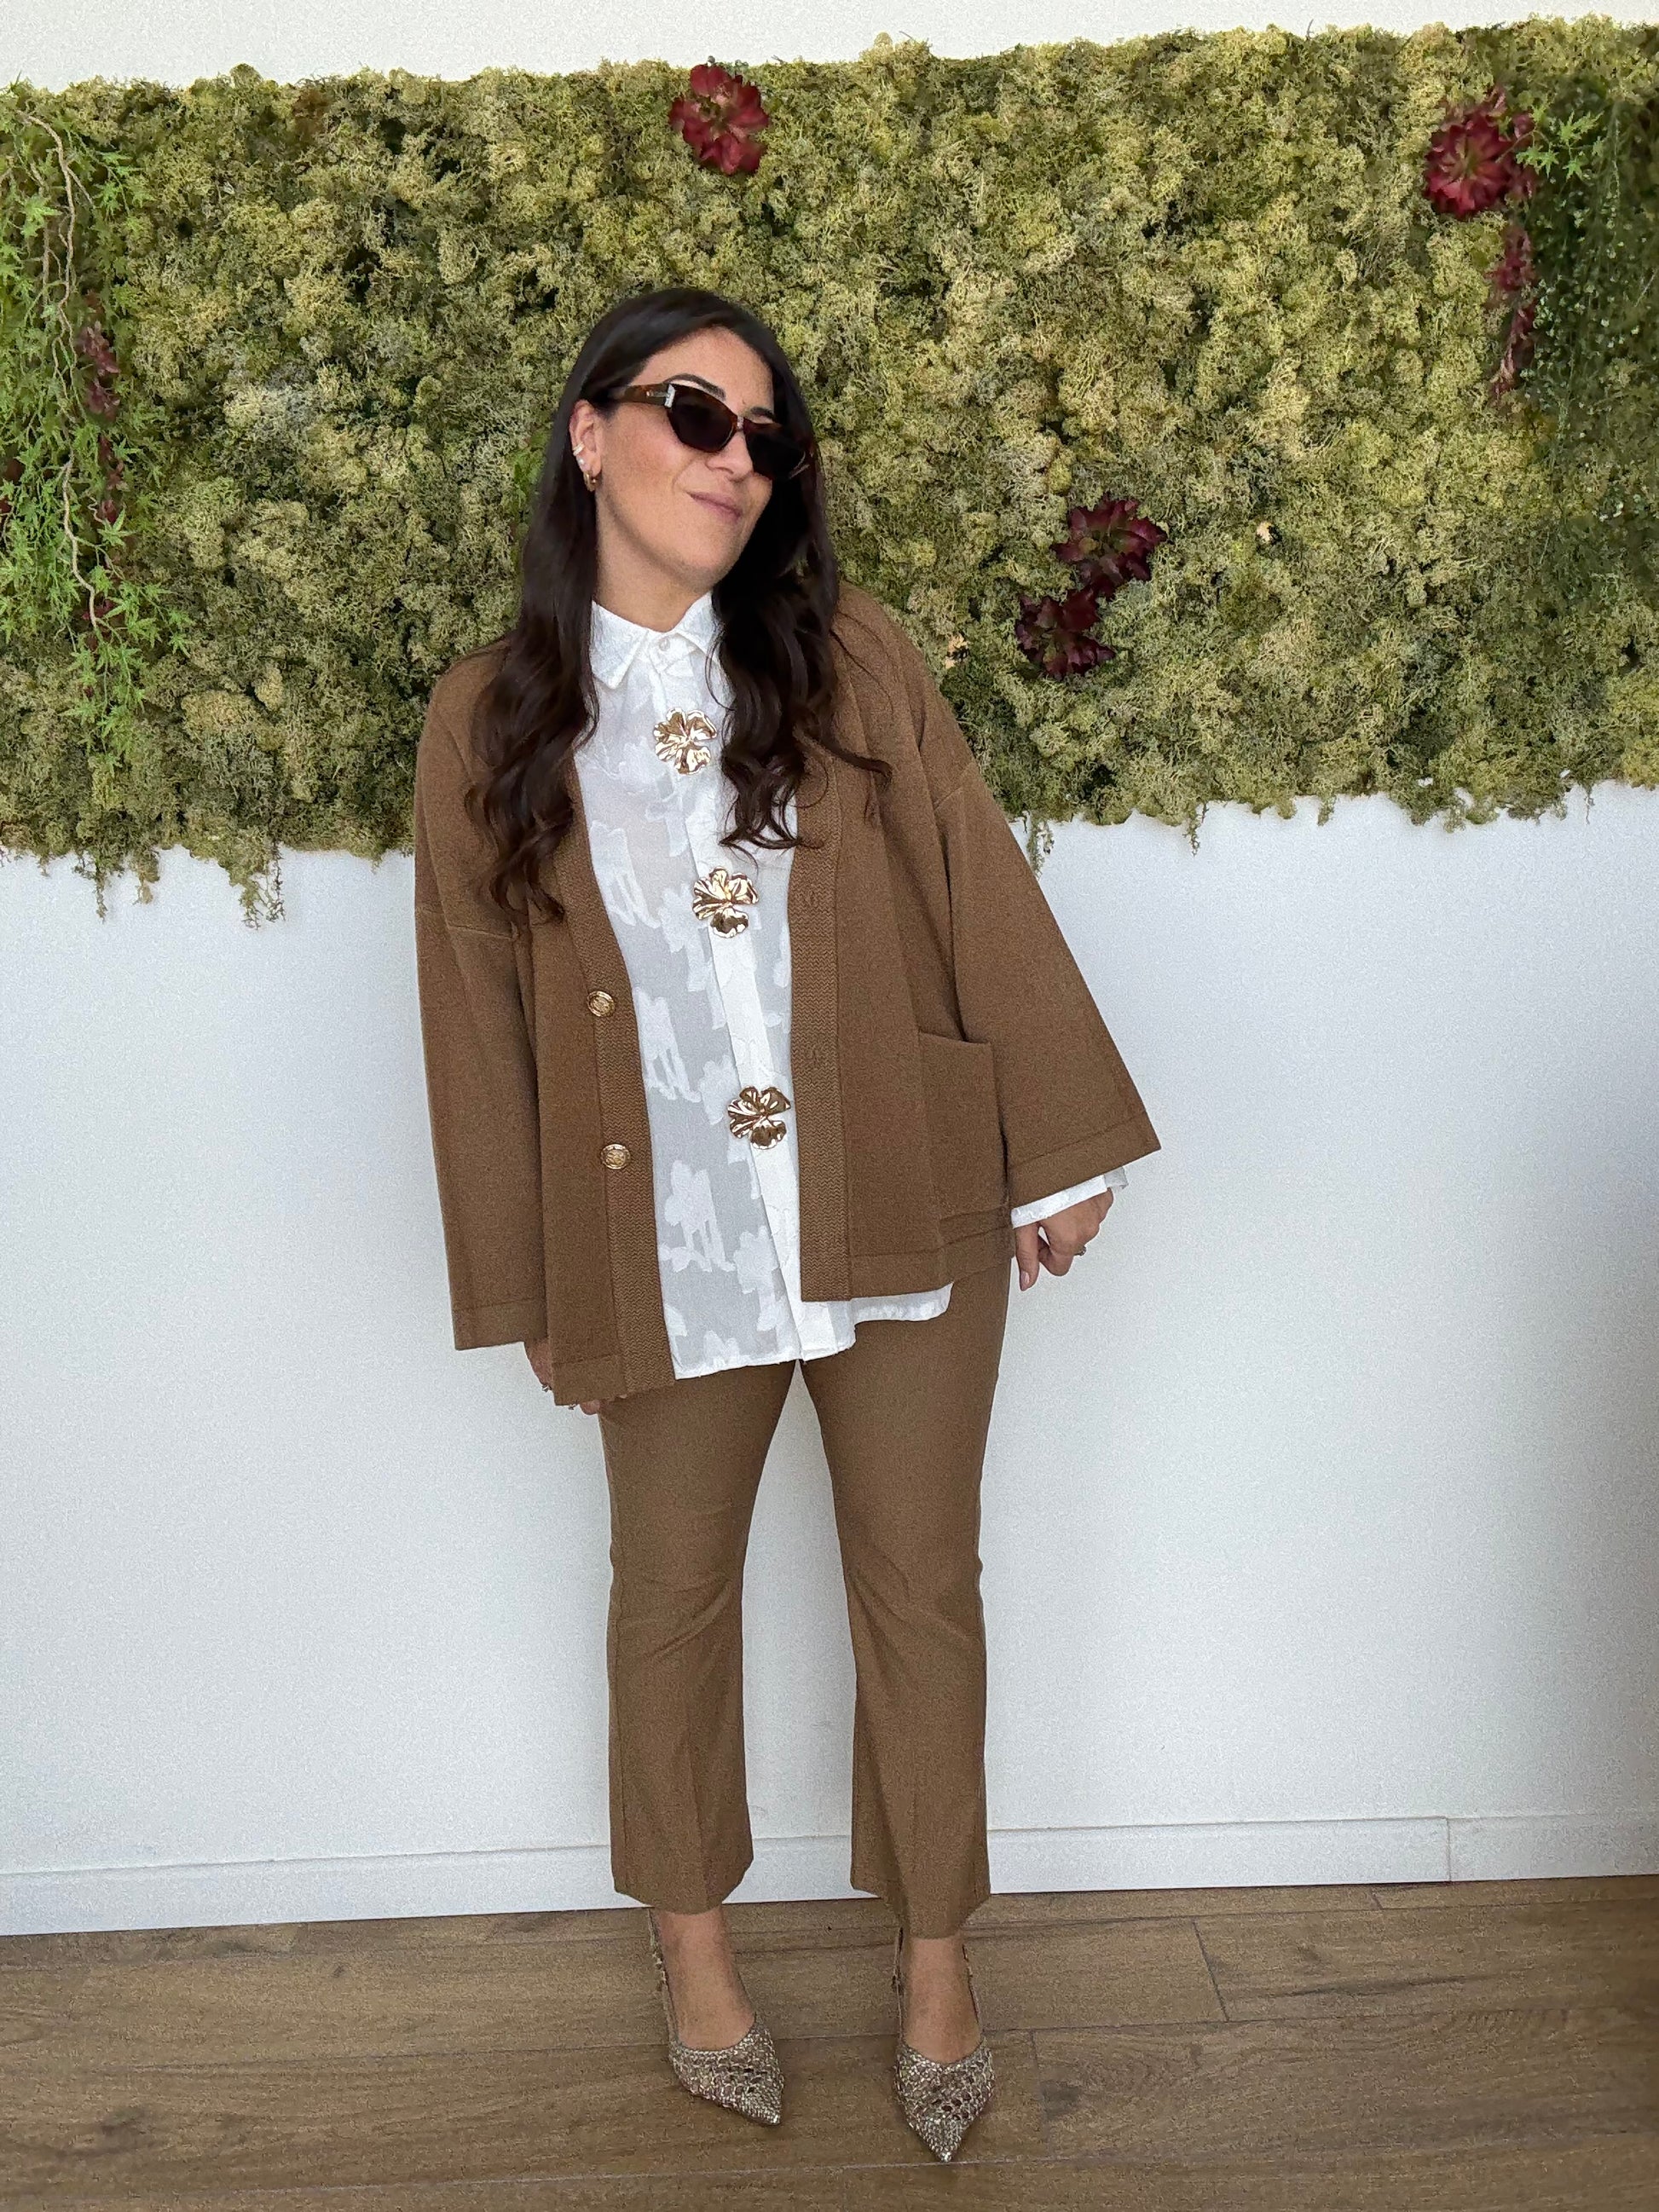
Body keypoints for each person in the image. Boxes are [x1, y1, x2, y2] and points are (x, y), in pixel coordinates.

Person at [412, 285, 1161, 2160]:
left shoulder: (846, 657)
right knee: (668, 1597)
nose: (733, 459)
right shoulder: (487, 718)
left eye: (764, 436)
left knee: (923, 1588)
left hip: (904, 1199)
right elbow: (473, 1010)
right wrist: (527, 1276)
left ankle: (937, 1971)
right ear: (591, 432)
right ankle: (696, 1962)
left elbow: (974, 877)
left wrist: (1054, 1150)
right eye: (694, 414)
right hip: (657, 1240)